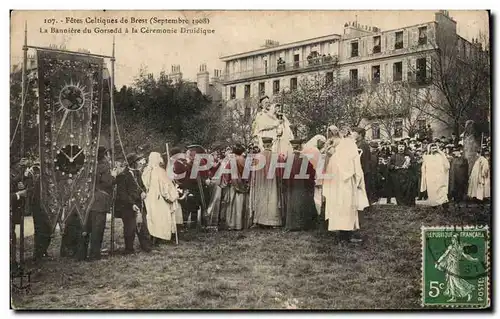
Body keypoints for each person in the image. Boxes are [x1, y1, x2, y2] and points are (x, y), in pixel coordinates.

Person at [323, 125, 368, 243]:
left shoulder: (335, 151)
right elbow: (356, 167)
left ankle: (341, 234)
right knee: (347, 208)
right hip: (347, 183)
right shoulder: (350, 146)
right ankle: (346, 235)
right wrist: (359, 181)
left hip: (337, 184)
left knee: (339, 207)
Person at [80, 147, 116, 261]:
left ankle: (81, 254)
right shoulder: (104, 166)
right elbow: (107, 182)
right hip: (100, 201)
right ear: (105, 155)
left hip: (89, 200)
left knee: (87, 228)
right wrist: (114, 176)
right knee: (97, 229)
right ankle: (94, 255)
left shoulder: (90, 167)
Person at [115, 153, 152, 254]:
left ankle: (146, 247)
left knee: (143, 226)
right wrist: (131, 204)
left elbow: (142, 186)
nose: (139, 163)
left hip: (140, 204)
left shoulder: (138, 173)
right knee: (130, 228)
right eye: (137, 161)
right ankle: (129, 249)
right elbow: (122, 194)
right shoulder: (122, 175)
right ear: (132, 163)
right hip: (127, 206)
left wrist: (143, 192)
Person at [142, 152, 179, 244]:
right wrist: (171, 192)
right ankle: (158, 237)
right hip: (159, 197)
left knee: (152, 216)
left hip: (150, 197)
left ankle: (152, 236)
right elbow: (166, 185)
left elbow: (144, 183)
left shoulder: (146, 170)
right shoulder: (160, 171)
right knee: (161, 216)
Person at [283, 139, 317, 231]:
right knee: (302, 203)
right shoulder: (305, 158)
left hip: (291, 186)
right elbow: (311, 173)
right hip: (302, 185)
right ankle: (302, 225)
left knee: (292, 204)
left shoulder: (288, 158)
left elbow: (284, 174)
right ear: (299, 146)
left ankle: (292, 225)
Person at [435, 234, 477, 302]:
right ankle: (453, 297)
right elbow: (444, 255)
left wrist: (473, 259)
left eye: (454, 239)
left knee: (456, 281)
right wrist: (438, 261)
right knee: (450, 281)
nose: (452, 240)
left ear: (456, 240)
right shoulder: (450, 247)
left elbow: (466, 256)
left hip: (455, 266)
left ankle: (469, 293)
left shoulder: (460, 247)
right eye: (452, 239)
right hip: (449, 265)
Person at [252, 137, 282, 228]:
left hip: (260, 182)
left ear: (264, 145)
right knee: (272, 198)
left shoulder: (257, 157)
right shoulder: (276, 156)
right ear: (271, 144)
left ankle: (260, 220)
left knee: (261, 198)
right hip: (272, 181)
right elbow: (279, 172)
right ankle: (272, 221)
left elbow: (253, 172)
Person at [221, 144, 250, 230]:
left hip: (233, 186)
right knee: (242, 204)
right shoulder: (244, 160)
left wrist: (226, 182)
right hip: (243, 185)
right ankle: (242, 224)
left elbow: (226, 174)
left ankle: (233, 224)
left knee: (233, 205)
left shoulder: (231, 161)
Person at [302, 135, 327, 215]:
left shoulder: (305, 148)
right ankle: (316, 213)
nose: (322, 145)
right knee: (316, 196)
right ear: (318, 141)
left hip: (305, 177)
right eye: (322, 143)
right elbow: (319, 166)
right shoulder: (315, 151)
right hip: (314, 177)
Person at [420, 143, 450, 208]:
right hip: (430, 177)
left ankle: (445, 206)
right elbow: (423, 167)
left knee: (442, 191)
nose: (434, 150)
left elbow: (447, 166)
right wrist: (424, 176)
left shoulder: (441, 156)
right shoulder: (427, 157)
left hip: (440, 176)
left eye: (435, 148)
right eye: (432, 148)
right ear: (430, 149)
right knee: (432, 191)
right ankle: (434, 205)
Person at [389, 142, 417, 206]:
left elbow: (414, 163)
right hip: (398, 175)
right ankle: (401, 204)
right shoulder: (394, 156)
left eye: (402, 146)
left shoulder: (410, 155)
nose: (401, 148)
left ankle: (408, 203)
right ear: (397, 147)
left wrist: (410, 165)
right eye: (399, 146)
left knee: (408, 189)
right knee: (399, 190)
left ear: (405, 147)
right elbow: (389, 165)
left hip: (407, 175)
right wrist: (394, 167)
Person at [351, 127, 373, 205]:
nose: (352, 134)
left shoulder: (363, 144)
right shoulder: (357, 143)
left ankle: (366, 205)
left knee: (364, 188)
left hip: (363, 169)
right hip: (361, 169)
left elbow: (362, 158)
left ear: (360, 134)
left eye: (354, 132)